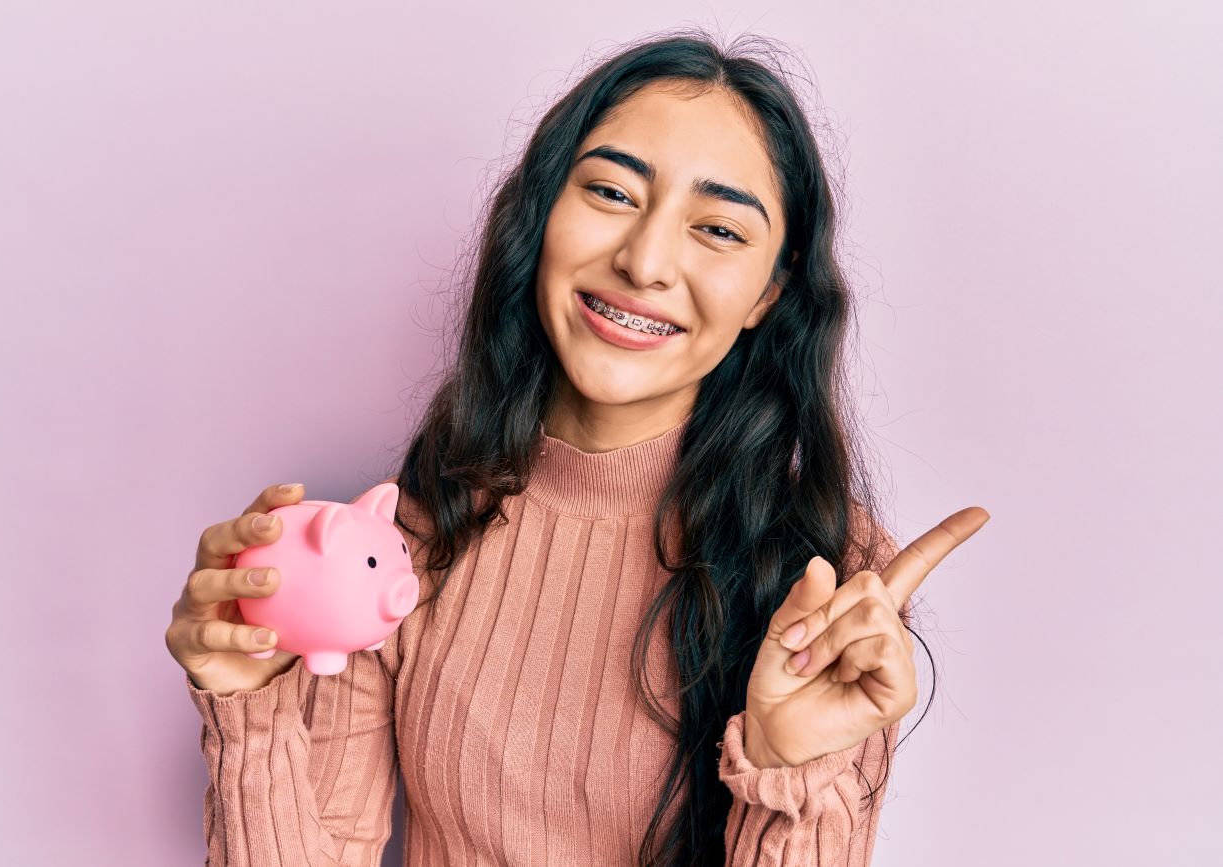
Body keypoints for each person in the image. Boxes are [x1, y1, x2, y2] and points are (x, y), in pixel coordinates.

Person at [165, 30, 989, 867]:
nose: (645, 260)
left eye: (720, 230)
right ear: (541, 215)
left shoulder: (826, 576)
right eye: (611, 192)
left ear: (768, 295)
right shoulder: (409, 538)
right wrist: (249, 705)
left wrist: (792, 772)